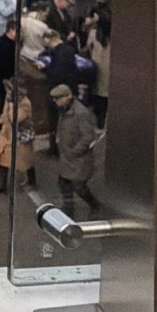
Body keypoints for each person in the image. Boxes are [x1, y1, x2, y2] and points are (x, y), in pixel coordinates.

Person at [52, 85, 101, 217]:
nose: (55, 101)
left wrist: (74, 151)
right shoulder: (64, 110)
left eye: (57, 98)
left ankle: (94, 205)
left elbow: (88, 136)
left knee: (79, 187)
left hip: (79, 159)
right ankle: (68, 210)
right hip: (66, 157)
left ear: (67, 97)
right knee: (64, 183)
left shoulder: (81, 113)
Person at [0, 85, 37, 195]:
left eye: (9, 89)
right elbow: (4, 112)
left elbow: (14, 118)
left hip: (19, 136)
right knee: (2, 158)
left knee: (26, 160)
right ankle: (1, 183)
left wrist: (11, 105)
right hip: (7, 134)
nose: (6, 91)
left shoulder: (24, 103)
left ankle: (32, 181)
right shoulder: (9, 97)